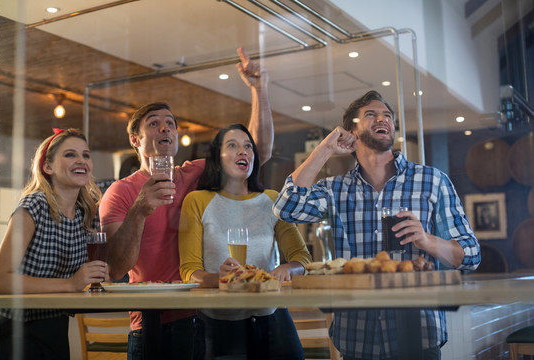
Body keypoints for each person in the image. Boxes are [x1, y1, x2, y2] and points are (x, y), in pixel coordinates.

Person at [273, 90, 481, 360]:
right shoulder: (336, 189)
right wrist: (325, 149)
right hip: (357, 336)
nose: (382, 118)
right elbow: (286, 207)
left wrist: (427, 240)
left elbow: (471, 255)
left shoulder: (432, 181)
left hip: (418, 334)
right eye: (370, 114)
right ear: (350, 132)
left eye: (387, 115)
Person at [99, 48, 274, 360]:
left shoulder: (192, 174)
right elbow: (115, 268)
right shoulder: (120, 192)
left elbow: (255, 152)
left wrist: (258, 89)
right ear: (135, 140)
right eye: (154, 123)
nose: (165, 128)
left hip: (197, 317)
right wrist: (140, 209)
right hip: (148, 322)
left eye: (170, 123)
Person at [179, 123, 311, 359]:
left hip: (273, 319)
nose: (243, 152)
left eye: (248, 146)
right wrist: (217, 279)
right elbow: (188, 270)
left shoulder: (272, 200)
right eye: (233, 145)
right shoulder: (197, 201)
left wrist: (288, 268)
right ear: (217, 158)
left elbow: (303, 258)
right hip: (218, 323)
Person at [0, 128, 107, 359]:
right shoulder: (34, 205)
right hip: (17, 332)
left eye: (86, 155)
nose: (81, 160)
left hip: (56, 328)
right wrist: (71, 284)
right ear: (48, 167)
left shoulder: (85, 214)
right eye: (70, 154)